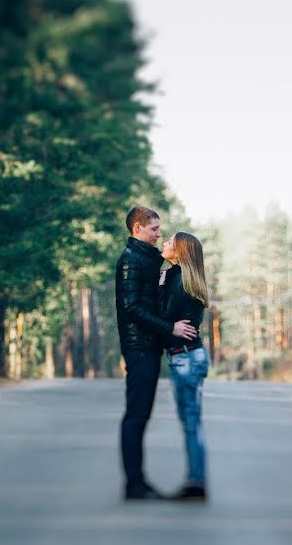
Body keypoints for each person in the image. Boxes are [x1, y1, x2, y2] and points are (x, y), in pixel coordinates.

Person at [115, 206, 197, 501]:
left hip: (149, 346)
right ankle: (134, 484)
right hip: (139, 348)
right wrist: (170, 328)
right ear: (137, 228)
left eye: (159, 229)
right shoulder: (131, 261)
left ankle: (138, 482)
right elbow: (131, 307)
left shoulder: (147, 259)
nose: (158, 234)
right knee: (136, 415)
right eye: (153, 229)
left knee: (141, 415)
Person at [159, 231, 210, 502]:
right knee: (192, 421)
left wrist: (157, 287)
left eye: (169, 242)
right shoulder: (181, 279)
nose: (164, 244)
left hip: (185, 357)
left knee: (191, 423)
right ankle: (196, 479)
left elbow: (164, 319)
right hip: (192, 356)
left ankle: (196, 482)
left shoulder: (179, 283)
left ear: (179, 252)